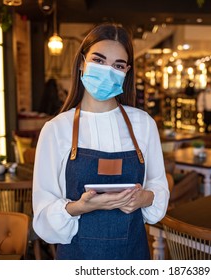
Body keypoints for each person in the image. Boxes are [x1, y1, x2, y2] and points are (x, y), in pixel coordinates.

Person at [32, 23, 169, 260]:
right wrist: (80, 207)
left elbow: (158, 185)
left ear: (126, 72)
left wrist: (144, 198)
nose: (107, 71)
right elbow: (43, 215)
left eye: (117, 65)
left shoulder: (143, 124)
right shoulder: (55, 130)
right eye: (99, 60)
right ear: (82, 63)